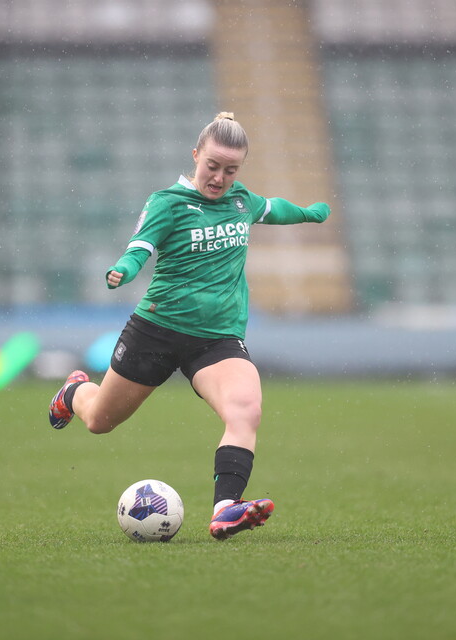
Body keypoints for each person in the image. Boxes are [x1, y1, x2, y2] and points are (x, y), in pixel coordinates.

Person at [48, 112, 330, 540]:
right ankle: (73, 393)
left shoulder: (241, 201)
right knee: (100, 421)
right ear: (196, 155)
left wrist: (309, 214)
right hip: (156, 330)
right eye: (212, 166)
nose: (219, 177)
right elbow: (140, 245)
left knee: (245, 410)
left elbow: (274, 209)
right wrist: (125, 268)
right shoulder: (169, 203)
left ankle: (225, 510)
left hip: (216, 340)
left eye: (230, 170)